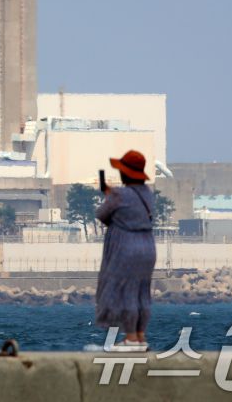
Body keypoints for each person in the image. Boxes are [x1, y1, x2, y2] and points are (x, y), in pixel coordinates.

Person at [95, 150, 156, 352]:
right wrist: (112, 194)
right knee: (142, 293)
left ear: (125, 173)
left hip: (127, 248)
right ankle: (140, 337)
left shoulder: (119, 195)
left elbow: (102, 215)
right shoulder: (147, 193)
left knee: (126, 293)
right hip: (148, 247)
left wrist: (109, 195)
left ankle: (130, 339)